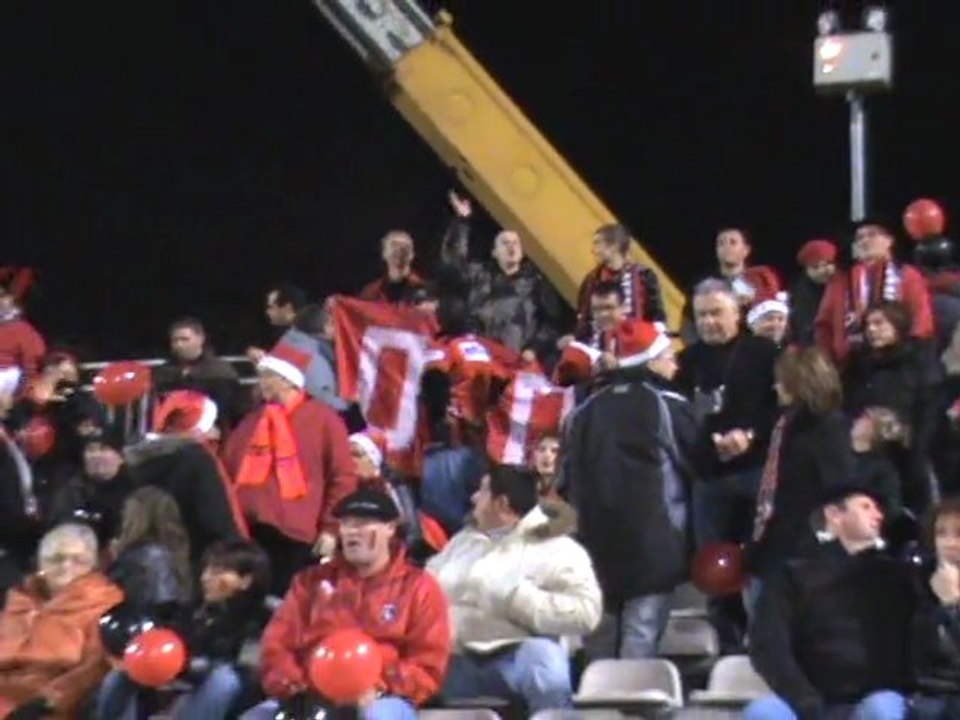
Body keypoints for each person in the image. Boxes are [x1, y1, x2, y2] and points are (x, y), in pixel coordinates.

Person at [241, 486, 450, 720]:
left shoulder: (419, 586)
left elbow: (427, 663)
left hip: (383, 697)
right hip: (308, 692)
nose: (352, 532)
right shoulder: (310, 582)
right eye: (346, 524)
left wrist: (375, 686)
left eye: (362, 524)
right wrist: (296, 685)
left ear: (390, 528)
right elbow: (277, 645)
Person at [430, 465, 602, 712]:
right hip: (454, 659)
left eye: (483, 491)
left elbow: (586, 613)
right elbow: (423, 591)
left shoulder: (558, 548)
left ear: (502, 504)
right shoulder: (461, 542)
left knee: (544, 659)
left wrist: (512, 597)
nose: (473, 498)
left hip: (519, 658)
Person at [746, 484, 915, 720]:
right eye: (866, 507)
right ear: (834, 514)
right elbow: (768, 644)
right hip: (808, 701)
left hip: (874, 699)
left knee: (883, 707)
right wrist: (804, 699)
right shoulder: (793, 574)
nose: (878, 515)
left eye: (878, 509)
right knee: (763, 712)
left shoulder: (895, 576)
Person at [223, 343, 356, 594]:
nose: (260, 383)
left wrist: (331, 528)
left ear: (287, 381)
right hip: (248, 533)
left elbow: (342, 477)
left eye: (267, 377)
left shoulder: (323, 419)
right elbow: (229, 468)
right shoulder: (252, 421)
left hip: (295, 536)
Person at [97, 539, 271, 720]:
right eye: (207, 569)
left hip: (224, 694)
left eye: (218, 572)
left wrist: (201, 665)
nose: (206, 577)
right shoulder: (193, 611)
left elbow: (249, 670)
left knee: (225, 680)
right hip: (178, 681)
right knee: (121, 674)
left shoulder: (261, 618)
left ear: (245, 581)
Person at [747, 348, 853, 596]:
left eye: (781, 381)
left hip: (804, 549)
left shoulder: (829, 428)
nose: (775, 386)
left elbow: (838, 488)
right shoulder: (786, 422)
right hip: (778, 539)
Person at [0, 523, 124, 719]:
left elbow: (93, 669)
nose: (66, 567)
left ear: (93, 564)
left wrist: (48, 701)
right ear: (41, 564)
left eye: (79, 560)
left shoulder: (104, 603)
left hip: (48, 705)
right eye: (56, 559)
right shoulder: (19, 600)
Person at [910, 497, 960, 719]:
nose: (949, 543)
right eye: (941, 533)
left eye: (959, 534)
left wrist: (952, 606)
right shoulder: (919, 581)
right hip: (929, 694)